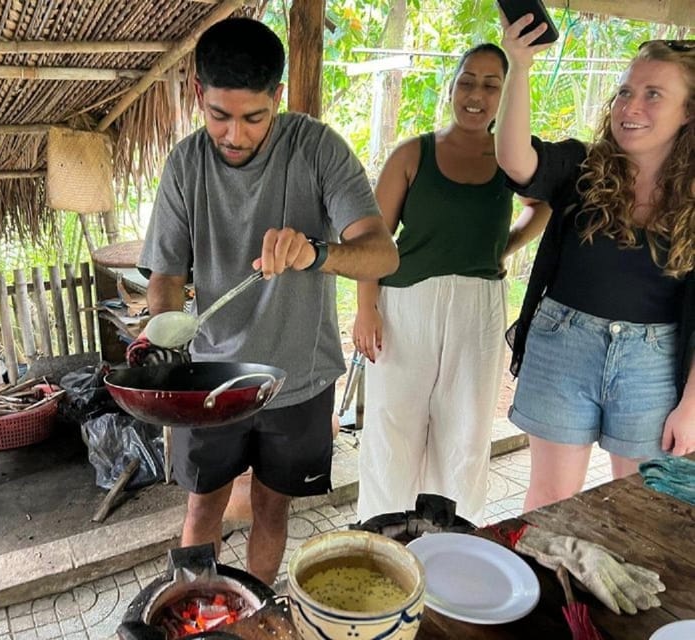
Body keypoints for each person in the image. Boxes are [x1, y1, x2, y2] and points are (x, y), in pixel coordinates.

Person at [137, 17, 398, 586]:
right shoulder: (185, 165)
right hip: (207, 380)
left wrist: (316, 252)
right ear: (198, 93)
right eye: (220, 116)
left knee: (272, 508)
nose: (235, 135)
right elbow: (166, 274)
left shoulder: (316, 148)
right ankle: (198, 609)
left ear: (276, 98)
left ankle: (253, 610)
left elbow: (381, 254)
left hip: (296, 379)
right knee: (203, 507)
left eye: (254, 118)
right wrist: (163, 329)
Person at [496, 14, 694, 511]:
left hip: (654, 361)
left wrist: (693, 404)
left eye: (654, 94)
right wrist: (519, 67)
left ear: (689, 112)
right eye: (627, 91)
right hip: (565, 343)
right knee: (551, 503)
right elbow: (516, 160)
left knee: (647, 507)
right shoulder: (584, 167)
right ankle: (549, 591)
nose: (631, 106)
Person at [354, 43, 550, 525]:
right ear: (451, 86)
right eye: (467, 80)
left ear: (506, 96)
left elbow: (542, 204)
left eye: (490, 84)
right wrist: (365, 308)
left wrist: (500, 248)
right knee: (391, 427)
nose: (476, 94)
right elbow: (370, 238)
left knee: (464, 431)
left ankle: (451, 548)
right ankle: (381, 541)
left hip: (477, 313)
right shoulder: (412, 154)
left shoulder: (513, 158)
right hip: (404, 309)